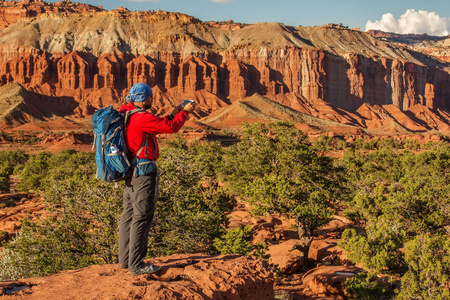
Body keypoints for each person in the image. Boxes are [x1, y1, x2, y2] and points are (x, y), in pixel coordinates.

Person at [118, 83, 195, 276]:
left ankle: (125, 261)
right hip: (143, 173)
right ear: (144, 98)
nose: (153, 100)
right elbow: (170, 128)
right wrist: (184, 113)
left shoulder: (127, 114)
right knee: (142, 217)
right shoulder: (141, 117)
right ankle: (137, 265)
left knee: (128, 215)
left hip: (130, 172)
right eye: (151, 97)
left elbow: (159, 124)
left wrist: (174, 111)